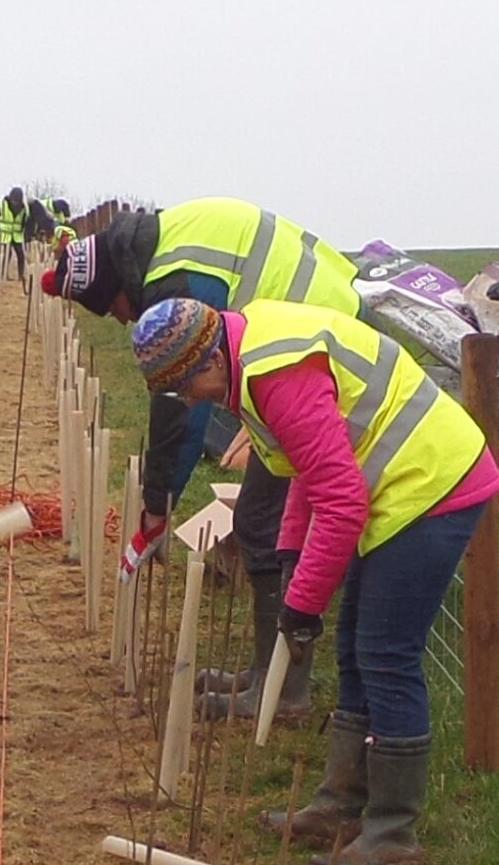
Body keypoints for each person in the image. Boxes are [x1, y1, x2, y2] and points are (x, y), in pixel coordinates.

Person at [132, 295, 499, 865]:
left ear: (206, 362)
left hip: (432, 486)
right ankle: (340, 804)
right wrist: (289, 558)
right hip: (393, 490)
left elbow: (341, 499)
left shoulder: (276, 373)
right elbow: (308, 469)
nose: (189, 401)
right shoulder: (249, 363)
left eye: (185, 388)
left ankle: (392, 830)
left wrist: (302, 606)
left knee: (386, 653)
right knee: (358, 646)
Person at [46, 202, 359, 723]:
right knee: (260, 520)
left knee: (264, 522)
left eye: (116, 310)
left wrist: (158, 502)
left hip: (314, 356)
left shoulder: (175, 285)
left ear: (118, 289)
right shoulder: (164, 244)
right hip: (307, 337)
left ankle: (283, 690)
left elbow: (182, 408)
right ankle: (268, 673)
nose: (123, 319)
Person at [0, 188, 28, 279]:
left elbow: (25, 221)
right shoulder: (2, 205)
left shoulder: (23, 208)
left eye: (17, 201)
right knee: (6, 255)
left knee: (21, 255)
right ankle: (3, 275)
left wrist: (23, 229)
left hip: (16, 236)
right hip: (5, 235)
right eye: (14, 200)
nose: (15, 202)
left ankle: (21, 276)